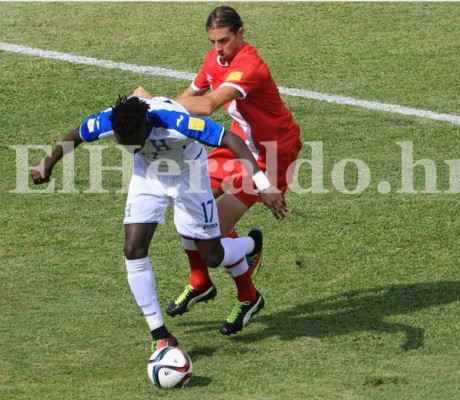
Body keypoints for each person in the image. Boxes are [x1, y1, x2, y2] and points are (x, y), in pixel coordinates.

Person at [31, 96, 287, 348]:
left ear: (145, 126)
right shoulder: (111, 122)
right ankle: (159, 333)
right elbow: (77, 134)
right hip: (148, 176)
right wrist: (48, 164)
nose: (131, 147)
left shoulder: (176, 123)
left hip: (190, 176)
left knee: (212, 256)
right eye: (124, 143)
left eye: (134, 142)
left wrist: (263, 185)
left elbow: (230, 139)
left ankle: (250, 245)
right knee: (133, 249)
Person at [133, 6, 302, 330]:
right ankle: (201, 282)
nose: (218, 49)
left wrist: (151, 103)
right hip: (237, 144)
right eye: (212, 41)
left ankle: (249, 283)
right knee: (188, 199)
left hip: (273, 154)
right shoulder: (215, 61)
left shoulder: (249, 65)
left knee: (211, 234)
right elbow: (187, 100)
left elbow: (208, 105)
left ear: (241, 33)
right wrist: (160, 112)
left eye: (224, 40)